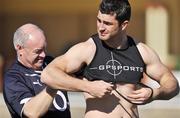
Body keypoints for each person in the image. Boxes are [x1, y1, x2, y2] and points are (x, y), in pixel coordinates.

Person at [41, 0, 180, 118]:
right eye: (99, 20)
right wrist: (88, 86)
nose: (100, 27)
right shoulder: (87, 49)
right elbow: (48, 74)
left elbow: (172, 84)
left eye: (107, 23)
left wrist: (154, 93)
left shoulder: (141, 51)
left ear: (124, 25)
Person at [3, 23, 71, 118]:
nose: (43, 55)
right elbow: (32, 113)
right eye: (37, 51)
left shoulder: (50, 62)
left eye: (44, 49)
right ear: (19, 48)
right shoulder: (13, 78)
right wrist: (54, 84)